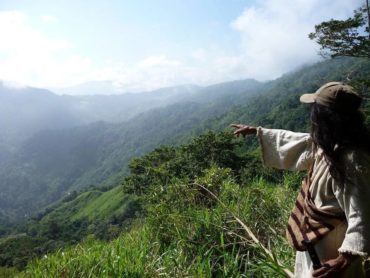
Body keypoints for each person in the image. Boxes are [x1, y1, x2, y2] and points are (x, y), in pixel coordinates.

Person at [231, 82, 370, 278]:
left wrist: (343, 260)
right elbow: (301, 141)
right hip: (316, 240)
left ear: (327, 117)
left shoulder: (352, 159)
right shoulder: (331, 143)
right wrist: (257, 132)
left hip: (334, 249)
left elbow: (363, 214)